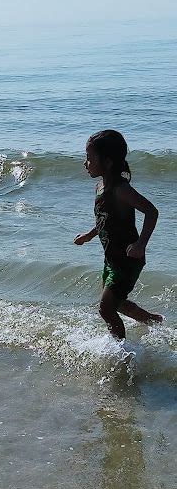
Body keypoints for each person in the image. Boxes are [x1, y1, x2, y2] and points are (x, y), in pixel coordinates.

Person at [74, 129, 162, 339]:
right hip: (111, 259)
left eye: (89, 158)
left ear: (108, 162)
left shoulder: (120, 189)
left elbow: (151, 211)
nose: (85, 164)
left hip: (127, 260)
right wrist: (90, 234)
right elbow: (106, 219)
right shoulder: (100, 187)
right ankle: (152, 321)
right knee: (118, 303)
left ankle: (121, 352)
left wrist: (141, 244)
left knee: (106, 309)